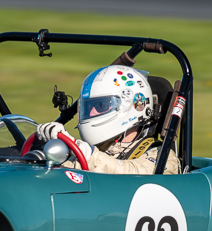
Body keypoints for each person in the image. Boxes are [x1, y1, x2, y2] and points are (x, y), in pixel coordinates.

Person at [36, 66, 180, 175]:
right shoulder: (101, 149)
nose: (91, 112)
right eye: (89, 106)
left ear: (129, 105)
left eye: (100, 105)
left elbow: (130, 173)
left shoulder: (163, 157)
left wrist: (84, 153)